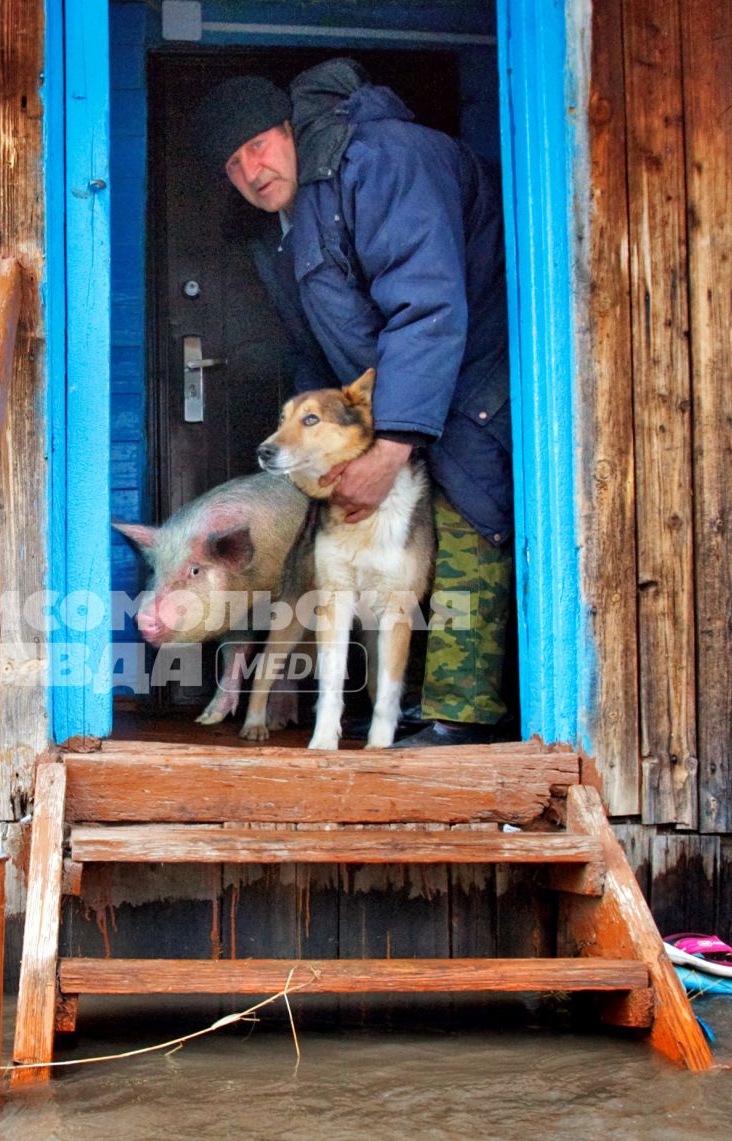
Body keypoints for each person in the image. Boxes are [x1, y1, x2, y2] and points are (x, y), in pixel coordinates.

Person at [190, 58, 514, 749]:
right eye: (230, 165)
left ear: (289, 129)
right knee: (384, 552)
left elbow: (425, 307)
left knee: (466, 522)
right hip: (401, 391)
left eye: (256, 146)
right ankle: (402, 711)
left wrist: (393, 443)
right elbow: (319, 354)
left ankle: (455, 718)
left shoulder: (381, 163)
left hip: (473, 378)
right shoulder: (289, 222)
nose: (249, 171)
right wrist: (325, 451)